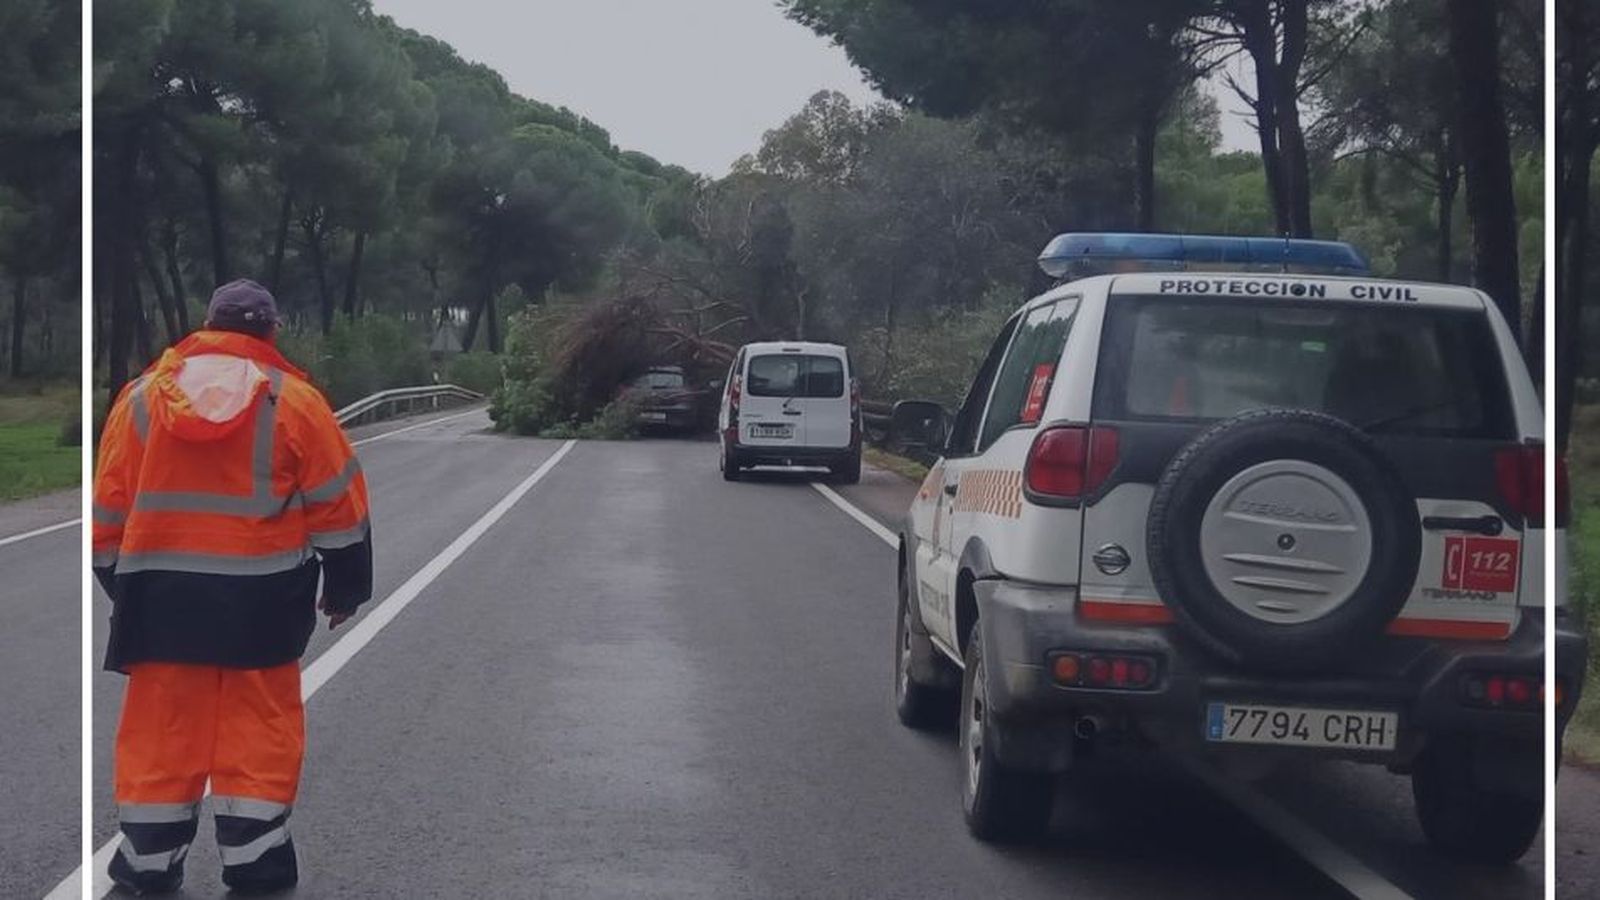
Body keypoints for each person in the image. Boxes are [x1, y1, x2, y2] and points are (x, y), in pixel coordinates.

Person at [92, 279, 374, 895]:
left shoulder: (140, 401)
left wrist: (126, 590)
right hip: (261, 612)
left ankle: (145, 874)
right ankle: (257, 871)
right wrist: (346, 588)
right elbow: (340, 508)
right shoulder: (294, 402)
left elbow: (107, 513)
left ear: (208, 325)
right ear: (270, 333)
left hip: (161, 609)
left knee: (160, 741)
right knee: (257, 741)